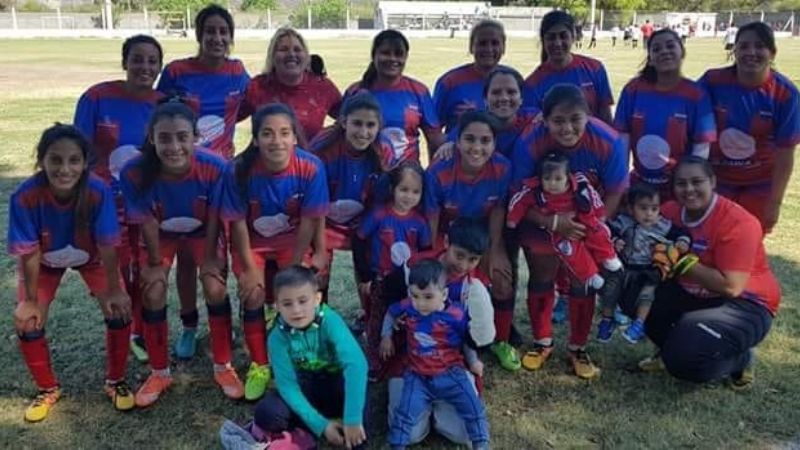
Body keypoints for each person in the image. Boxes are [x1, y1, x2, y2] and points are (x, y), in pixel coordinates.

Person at [118, 100, 240, 407]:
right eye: (164, 138)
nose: (174, 147)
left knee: (214, 285)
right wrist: (154, 264)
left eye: (182, 137)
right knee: (153, 289)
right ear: (151, 138)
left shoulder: (215, 166)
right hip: (160, 234)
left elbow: (215, 215)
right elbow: (146, 220)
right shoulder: (133, 171)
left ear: (196, 137)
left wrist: (210, 257)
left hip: (203, 231)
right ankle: (159, 372)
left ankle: (223, 365)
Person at [9, 124, 133, 421]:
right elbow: (29, 251)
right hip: (44, 262)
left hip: (92, 257)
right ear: (41, 160)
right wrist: (30, 300)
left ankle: (116, 381)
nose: (65, 169)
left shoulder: (97, 191)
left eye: (74, 160)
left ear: (85, 162)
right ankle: (47, 389)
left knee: (118, 309)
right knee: (28, 320)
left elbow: (107, 243)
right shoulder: (24, 196)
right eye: (55, 159)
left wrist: (115, 289)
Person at [511, 84, 628, 379]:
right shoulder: (530, 142)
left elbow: (615, 192)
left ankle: (578, 347)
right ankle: (542, 342)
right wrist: (551, 223)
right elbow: (518, 195)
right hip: (542, 219)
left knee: (582, 280)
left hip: (587, 223)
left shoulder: (609, 141)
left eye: (575, 119)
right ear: (544, 120)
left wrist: (592, 227)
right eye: (558, 121)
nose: (567, 128)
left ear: (588, 115)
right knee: (542, 275)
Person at [633, 156, 779, 390]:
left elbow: (731, 286)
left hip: (745, 303)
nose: (689, 189)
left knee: (682, 362)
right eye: (681, 183)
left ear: (713, 182)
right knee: (633, 289)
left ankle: (740, 359)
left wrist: (681, 262)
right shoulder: (668, 211)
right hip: (696, 294)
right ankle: (671, 347)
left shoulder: (739, 222)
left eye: (697, 181)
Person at [218, 104, 329, 401]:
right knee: (253, 293)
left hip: (292, 240)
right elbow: (237, 224)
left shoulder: (311, 166)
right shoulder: (238, 170)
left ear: (294, 137)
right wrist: (249, 269)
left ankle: (300, 356)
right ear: (255, 139)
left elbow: (310, 219)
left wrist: (295, 266)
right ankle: (260, 364)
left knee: (296, 292)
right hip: (251, 242)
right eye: (267, 133)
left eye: (284, 133)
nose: (276, 141)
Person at [73, 34, 164, 363]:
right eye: (137, 59)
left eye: (152, 61)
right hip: (107, 207)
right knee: (119, 272)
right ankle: (126, 333)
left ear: (160, 67)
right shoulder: (96, 97)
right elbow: (77, 153)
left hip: (147, 204)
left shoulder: (163, 104)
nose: (144, 67)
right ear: (125, 62)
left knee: (146, 268)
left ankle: (141, 331)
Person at [423, 111, 515, 370]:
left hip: (480, 235)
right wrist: (431, 255)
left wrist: (494, 250)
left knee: (501, 279)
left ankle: (500, 340)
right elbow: (432, 216)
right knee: (438, 281)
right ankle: (439, 338)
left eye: (485, 141)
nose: (476, 148)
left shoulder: (502, 168)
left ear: (494, 143)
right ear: (458, 140)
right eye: (469, 139)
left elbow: (498, 209)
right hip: (448, 235)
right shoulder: (439, 170)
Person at [699, 22, 800, 233]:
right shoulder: (712, 81)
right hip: (716, 180)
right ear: (734, 51)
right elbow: (686, 112)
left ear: (772, 53)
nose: (751, 52)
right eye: (744, 46)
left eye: (759, 46)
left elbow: (786, 153)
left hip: (759, 184)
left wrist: (775, 202)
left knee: (747, 241)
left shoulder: (785, 93)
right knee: (709, 240)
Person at [253, 266, 368, 449]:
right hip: (306, 387)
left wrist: (352, 418)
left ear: (317, 299)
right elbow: (287, 386)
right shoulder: (277, 337)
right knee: (266, 413)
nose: (296, 310)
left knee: (359, 429)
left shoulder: (330, 321)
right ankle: (313, 428)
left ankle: (339, 422)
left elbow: (356, 365)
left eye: (303, 301)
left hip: (336, 383)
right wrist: (322, 426)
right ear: (277, 306)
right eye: (287, 304)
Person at [381, 259, 490, 450]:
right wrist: (386, 336)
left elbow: (467, 339)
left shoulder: (456, 314)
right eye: (415, 295)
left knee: (473, 407)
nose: (420, 303)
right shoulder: (409, 306)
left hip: (451, 375)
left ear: (444, 294)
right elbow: (390, 313)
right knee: (404, 414)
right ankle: (397, 445)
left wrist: (473, 361)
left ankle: (481, 443)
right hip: (417, 377)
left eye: (428, 297)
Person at [614, 28, 717, 200]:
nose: (664, 52)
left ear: (682, 51)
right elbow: (623, 138)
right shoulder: (633, 89)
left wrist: (687, 185)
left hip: (678, 190)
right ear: (650, 59)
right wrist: (622, 181)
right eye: (656, 49)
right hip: (641, 185)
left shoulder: (695, 94)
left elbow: (701, 146)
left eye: (670, 46)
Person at [310, 92, 391, 304]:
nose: (363, 132)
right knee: (316, 276)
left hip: (362, 221)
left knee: (372, 272)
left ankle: (372, 315)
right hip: (322, 221)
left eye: (370, 125)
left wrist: (367, 233)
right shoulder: (322, 149)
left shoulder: (383, 151)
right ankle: (318, 316)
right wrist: (319, 248)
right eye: (357, 123)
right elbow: (312, 204)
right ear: (344, 122)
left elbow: (381, 203)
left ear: (379, 126)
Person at [353, 162, 432, 377]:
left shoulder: (420, 222)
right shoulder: (379, 215)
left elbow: (425, 251)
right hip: (381, 279)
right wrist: (366, 276)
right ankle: (374, 362)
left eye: (415, 191)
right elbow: (359, 240)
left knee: (404, 318)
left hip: (407, 282)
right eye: (403, 189)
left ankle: (403, 357)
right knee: (376, 320)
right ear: (392, 189)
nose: (409, 196)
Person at [507, 152, 623, 291]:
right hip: (560, 230)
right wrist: (513, 218)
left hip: (586, 219)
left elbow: (593, 196)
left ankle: (608, 257)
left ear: (568, 177)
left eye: (558, 179)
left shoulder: (580, 185)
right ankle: (590, 275)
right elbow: (519, 202)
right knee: (570, 251)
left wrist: (599, 214)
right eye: (547, 179)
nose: (552, 184)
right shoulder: (536, 192)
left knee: (599, 233)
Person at [599, 183, 690, 344]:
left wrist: (683, 242)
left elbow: (680, 233)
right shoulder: (623, 222)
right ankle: (607, 320)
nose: (649, 214)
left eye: (654, 209)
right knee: (611, 289)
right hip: (624, 267)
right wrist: (615, 240)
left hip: (648, 270)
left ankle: (638, 324)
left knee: (647, 294)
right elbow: (606, 230)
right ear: (631, 208)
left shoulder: (662, 225)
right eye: (643, 208)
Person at [157, 4, 250, 159]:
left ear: (230, 37)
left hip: (221, 164)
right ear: (199, 36)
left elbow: (252, 102)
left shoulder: (237, 71)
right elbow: (157, 114)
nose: (217, 38)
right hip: (181, 161)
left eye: (223, 32)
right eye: (210, 31)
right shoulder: (176, 71)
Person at [345, 29, 444, 165]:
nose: (392, 59)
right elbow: (340, 134)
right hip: (362, 170)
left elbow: (434, 138)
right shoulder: (355, 91)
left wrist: (434, 172)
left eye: (399, 54)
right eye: (385, 53)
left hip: (406, 172)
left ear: (406, 57)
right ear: (374, 55)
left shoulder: (419, 91)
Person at [240, 27, 342, 147]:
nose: (291, 54)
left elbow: (351, 118)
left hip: (310, 158)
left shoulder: (322, 87)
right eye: (283, 49)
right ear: (272, 56)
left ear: (306, 56)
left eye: (297, 49)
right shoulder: (257, 86)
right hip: (267, 157)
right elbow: (228, 116)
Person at [524, 10, 614, 125]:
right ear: (543, 40)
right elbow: (533, 127)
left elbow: (606, 119)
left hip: (594, 137)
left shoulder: (595, 69)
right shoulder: (532, 84)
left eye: (563, 36)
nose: (558, 43)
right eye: (551, 37)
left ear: (573, 36)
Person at [433, 19, 507, 132]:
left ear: (503, 47)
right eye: (482, 43)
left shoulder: (512, 80)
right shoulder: (449, 82)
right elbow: (433, 130)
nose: (489, 49)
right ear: (471, 47)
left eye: (495, 43)